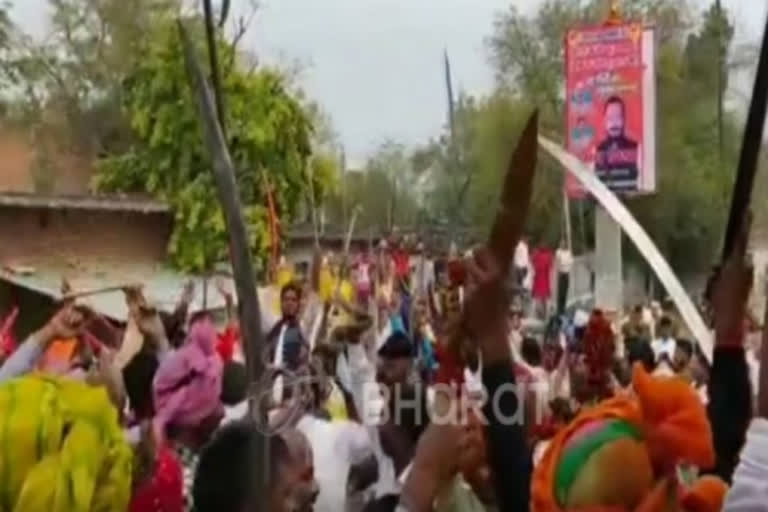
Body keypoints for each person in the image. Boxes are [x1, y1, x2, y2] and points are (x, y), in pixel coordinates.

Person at [594, 95, 639, 191]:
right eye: (610, 118)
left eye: (618, 117)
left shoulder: (635, 147)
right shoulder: (599, 150)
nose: (614, 123)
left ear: (623, 119)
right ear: (604, 121)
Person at [555, 240, 573, 315]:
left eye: (564, 244)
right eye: (561, 244)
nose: (563, 245)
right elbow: (558, 262)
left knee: (565, 291)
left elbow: (571, 261)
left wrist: (566, 264)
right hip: (561, 273)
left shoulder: (568, 252)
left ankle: (563, 308)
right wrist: (560, 268)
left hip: (567, 273)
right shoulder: (558, 252)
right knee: (560, 292)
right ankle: (559, 309)